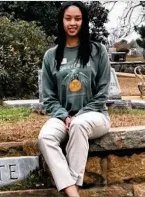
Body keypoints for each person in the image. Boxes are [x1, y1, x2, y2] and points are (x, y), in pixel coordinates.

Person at [38, 1, 111, 197]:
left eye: (77, 18)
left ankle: (72, 191)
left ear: (84, 21)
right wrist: (64, 116)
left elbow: (103, 93)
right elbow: (49, 97)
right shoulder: (51, 56)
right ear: (62, 21)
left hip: (95, 116)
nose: (73, 23)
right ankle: (73, 194)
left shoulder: (97, 51)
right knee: (45, 137)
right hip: (63, 117)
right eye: (68, 18)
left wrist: (78, 115)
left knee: (79, 125)